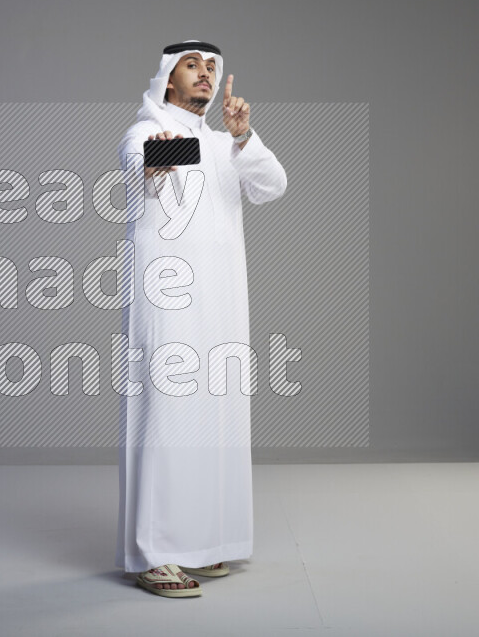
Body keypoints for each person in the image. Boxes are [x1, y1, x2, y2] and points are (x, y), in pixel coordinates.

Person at [114, 40, 287, 598]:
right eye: (192, 65)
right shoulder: (146, 131)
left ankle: (205, 543)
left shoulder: (221, 143)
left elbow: (272, 187)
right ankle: (154, 554)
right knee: (166, 415)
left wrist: (243, 136)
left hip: (221, 300)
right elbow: (141, 163)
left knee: (217, 415)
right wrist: (161, 157)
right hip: (167, 299)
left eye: (211, 66)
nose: (205, 74)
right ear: (168, 79)